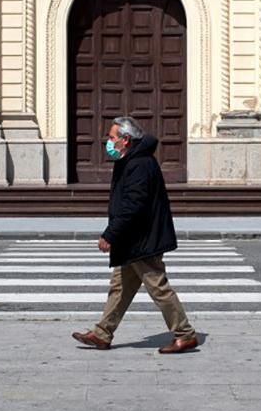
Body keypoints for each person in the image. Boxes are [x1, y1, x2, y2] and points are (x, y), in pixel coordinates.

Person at [72, 116, 198, 354]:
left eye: (112, 138)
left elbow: (133, 206)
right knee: (119, 287)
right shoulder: (131, 160)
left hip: (142, 240)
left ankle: (185, 334)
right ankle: (102, 333)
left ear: (126, 139)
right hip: (132, 239)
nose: (108, 142)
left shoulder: (139, 164)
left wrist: (110, 234)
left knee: (158, 287)